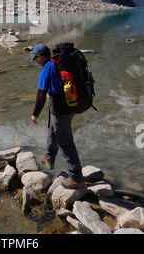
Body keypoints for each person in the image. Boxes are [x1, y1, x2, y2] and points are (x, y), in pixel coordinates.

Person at [30, 43, 86, 189]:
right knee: (53, 129)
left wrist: (35, 114)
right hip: (71, 104)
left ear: (40, 56)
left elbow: (41, 94)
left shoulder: (48, 68)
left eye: (35, 58)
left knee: (65, 143)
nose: (36, 61)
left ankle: (76, 178)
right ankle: (49, 159)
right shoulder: (60, 63)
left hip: (61, 110)